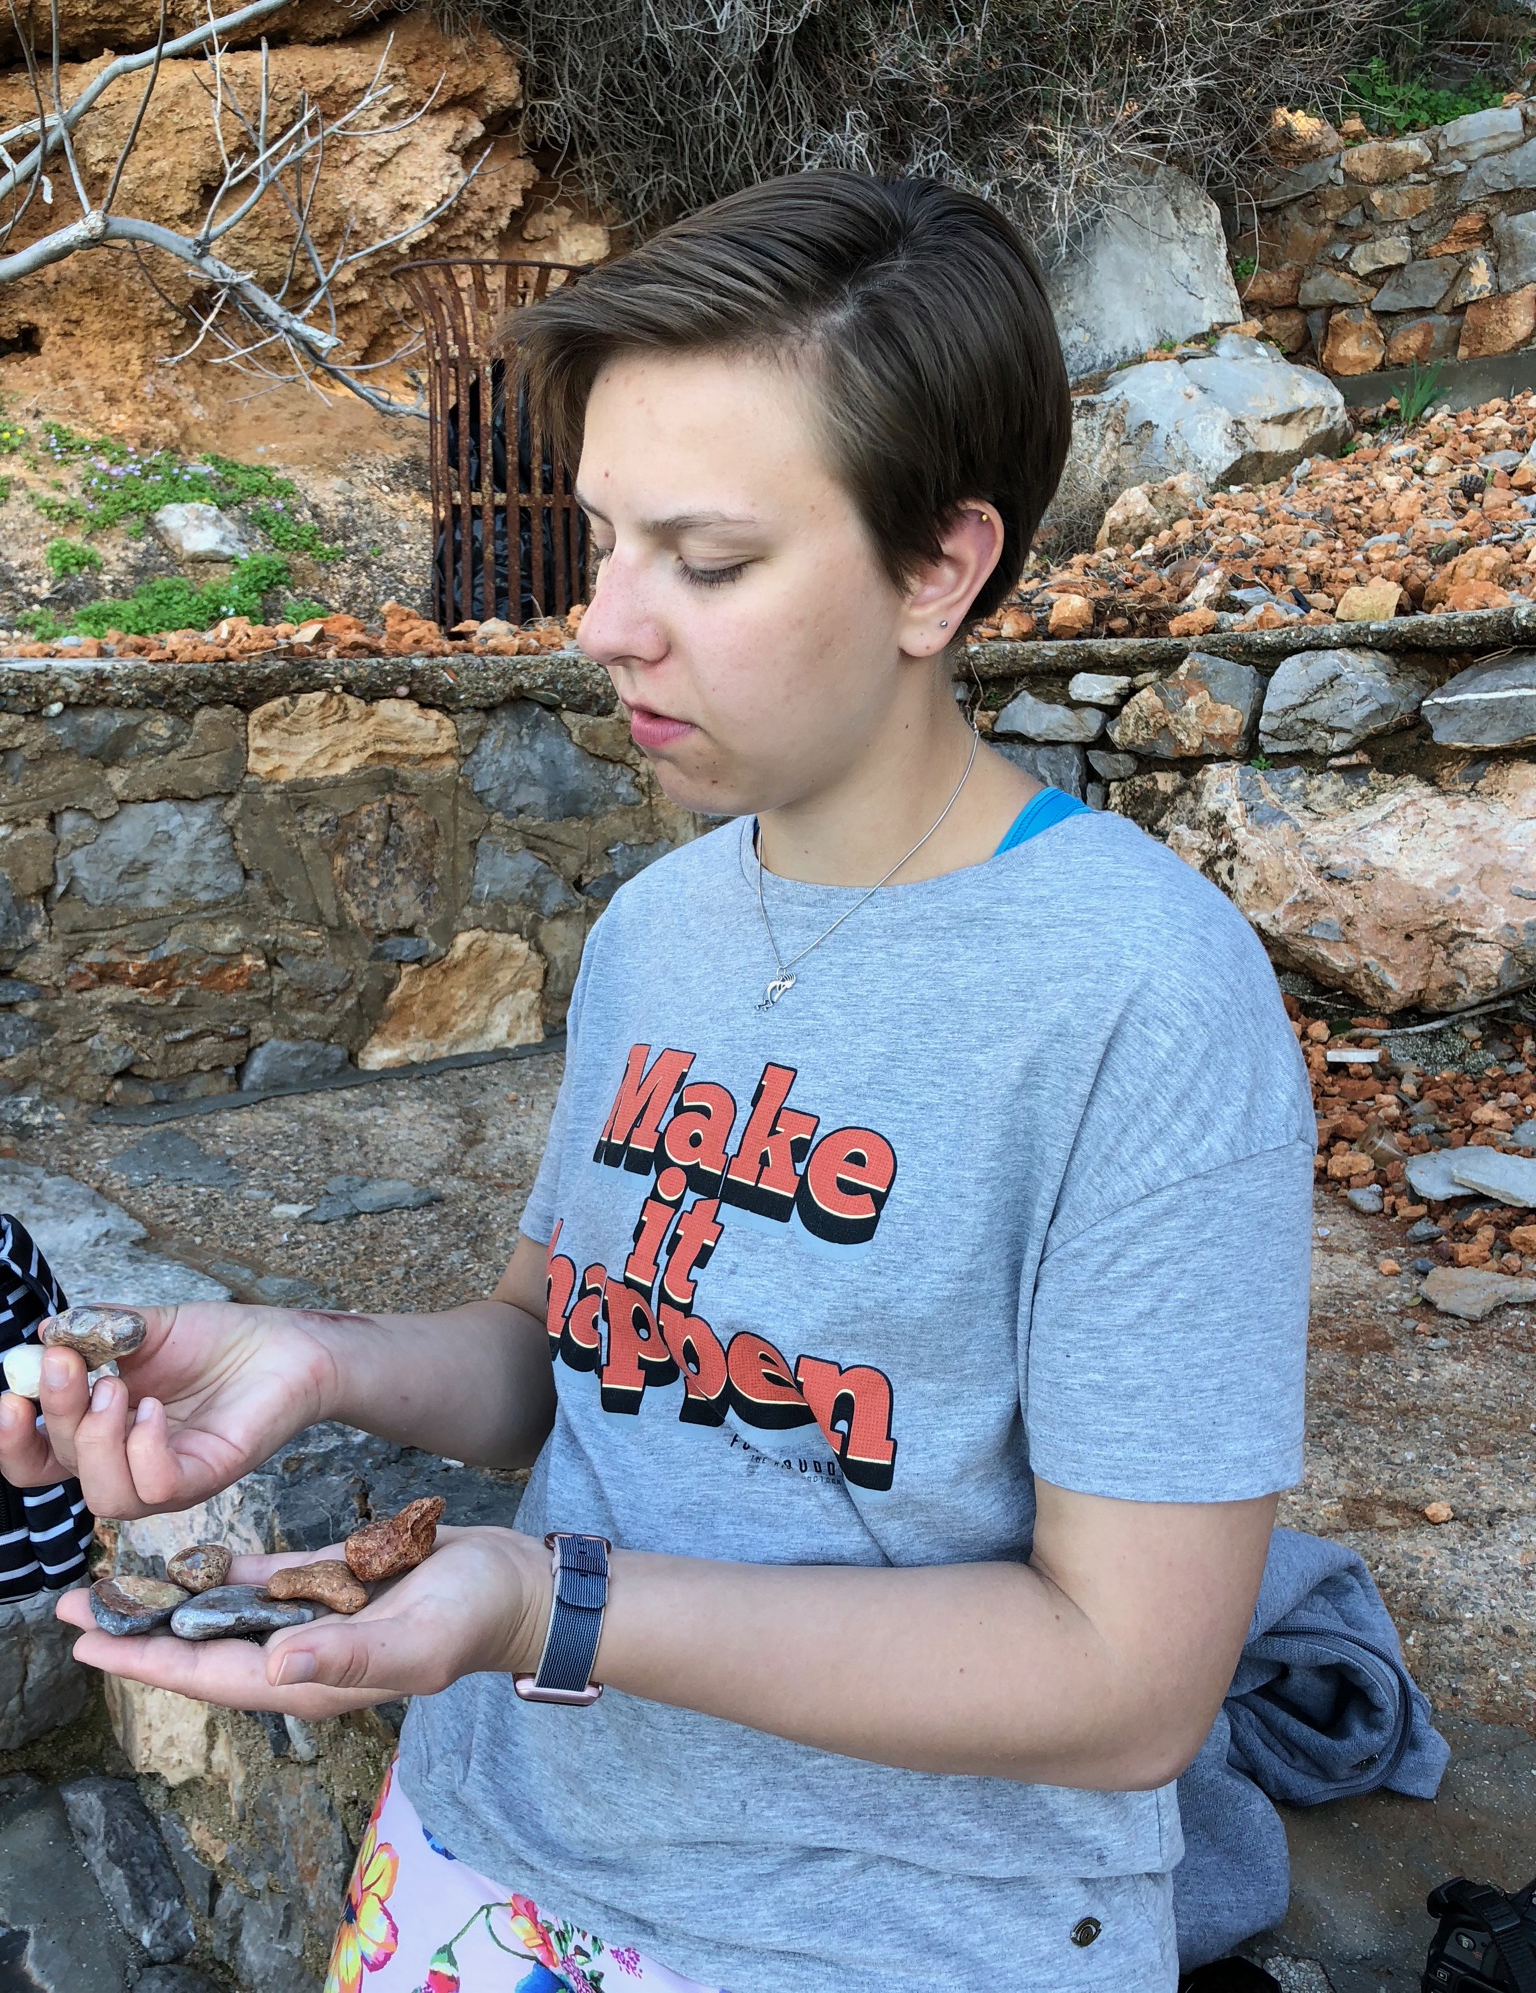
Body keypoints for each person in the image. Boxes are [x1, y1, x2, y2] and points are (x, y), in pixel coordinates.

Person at [0, 171, 1314, 1993]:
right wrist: (313, 1356)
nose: (607, 621)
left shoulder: (1143, 999)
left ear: (944, 564)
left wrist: (551, 1604)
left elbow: (1128, 1685)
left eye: (705, 562)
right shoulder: (658, 927)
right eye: (606, 538)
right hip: (487, 1850)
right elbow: (577, 1357)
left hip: (879, 1937)